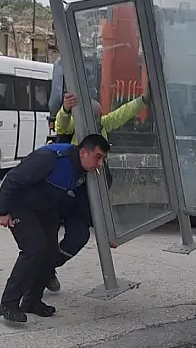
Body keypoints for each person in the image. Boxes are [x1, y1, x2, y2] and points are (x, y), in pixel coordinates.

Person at [0, 134, 110, 323]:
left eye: (103, 159)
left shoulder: (84, 172)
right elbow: (13, 179)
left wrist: (105, 233)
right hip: (21, 205)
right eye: (98, 157)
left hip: (46, 209)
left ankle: (32, 301)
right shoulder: (52, 158)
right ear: (83, 152)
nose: (100, 164)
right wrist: (2, 211)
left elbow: (84, 207)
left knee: (48, 253)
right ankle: (8, 304)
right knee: (34, 249)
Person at [47, 90, 149, 292]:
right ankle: (41, 273)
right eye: (94, 116)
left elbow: (121, 114)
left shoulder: (102, 125)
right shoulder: (73, 126)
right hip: (63, 190)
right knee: (47, 236)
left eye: (99, 116)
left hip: (84, 193)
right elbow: (61, 125)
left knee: (78, 236)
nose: (98, 120)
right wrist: (66, 109)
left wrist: (143, 100)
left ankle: (47, 268)